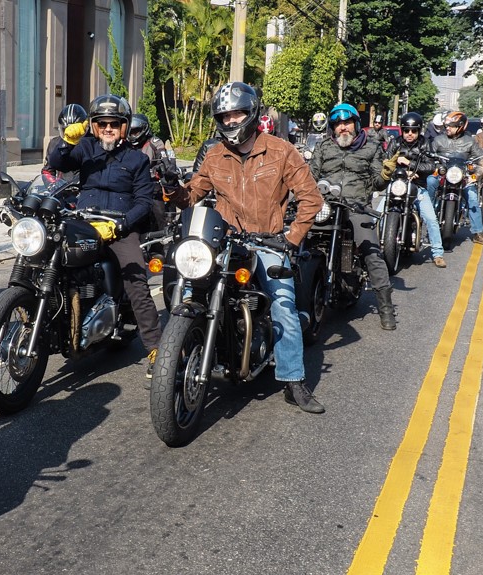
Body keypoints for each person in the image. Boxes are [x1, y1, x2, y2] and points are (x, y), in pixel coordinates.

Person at [167, 82, 327, 413]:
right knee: (185, 288)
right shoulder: (214, 155)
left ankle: (293, 380)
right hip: (225, 240)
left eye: (237, 113)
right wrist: (171, 188)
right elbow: (193, 194)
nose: (230, 121)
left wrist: (290, 238)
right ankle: (173, 362)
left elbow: (311, 198)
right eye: (224, 116)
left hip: (268, 240)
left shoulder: (281, 151)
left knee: (282, 303)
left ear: (252, 113)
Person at [47, 94, 162, 379]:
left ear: (123, 127)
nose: (108, 128)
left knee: (136, 281)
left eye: (114, 124)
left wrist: (122, 226)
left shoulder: (136, 159)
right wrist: (67, 141)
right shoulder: (84, 148)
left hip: (119, 228)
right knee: (49, 260)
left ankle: (156, 348)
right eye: (102, 123)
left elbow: (144, 202)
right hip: (84, 223)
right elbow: (58, 161)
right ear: (94, 127)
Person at [309, 102, 397, 330]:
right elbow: (310, 176)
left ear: (356, 125)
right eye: (338, 124)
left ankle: (386, 310)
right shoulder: (323, 147)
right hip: (325, 207)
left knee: (372, 253)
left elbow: (378, 181)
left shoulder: (371, 147)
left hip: (357, 207)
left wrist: (386, 173)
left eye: (347, 123)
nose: (343, 128)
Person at [381, 112, 446, 268]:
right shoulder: (395, 143)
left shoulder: (425, 144)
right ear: (402, 130)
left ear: (419, 131)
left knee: (431, 219)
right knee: (378, 215)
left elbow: (430, 166)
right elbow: (386, 161)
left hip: (418, 186)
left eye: (414, 131)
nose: (410, 134)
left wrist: (409, 164)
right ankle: (375, 249)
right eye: (407, 130)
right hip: (397, 185)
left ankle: (437, 253)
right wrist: (396, 167)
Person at [427, 110, 483, 246]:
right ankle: (426, 215)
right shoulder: (438, 140)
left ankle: (478, 232)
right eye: (446, 125)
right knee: (430, 181)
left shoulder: (470, 142)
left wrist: (476, 174)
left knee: (472, 197)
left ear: (460, 126)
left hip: (463, 177)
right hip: (443, 175)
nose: (447, 128)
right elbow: (428, 155)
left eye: (451, 126)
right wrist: (435, 165)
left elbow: (481, 159)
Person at [127, 113, 178, 232]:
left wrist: (165, 167)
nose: (133, 135)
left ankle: (160, 241)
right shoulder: (126, 144)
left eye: (136, 131)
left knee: (159, 213)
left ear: (144, 129)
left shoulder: (154, 142)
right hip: (131, 183)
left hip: (152, 184)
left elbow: (164, 157)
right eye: (131, 132)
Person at [42, 103, 87, 183]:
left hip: (86, 189)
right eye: (65, 130)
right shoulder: (55, 143)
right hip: (63, 188)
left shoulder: (92, 143)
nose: (71, 134)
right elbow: (47, 171)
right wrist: (53, 186)